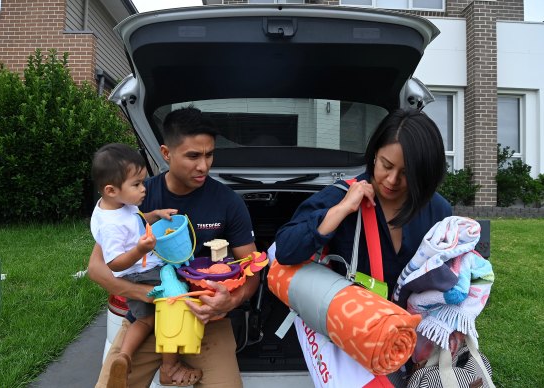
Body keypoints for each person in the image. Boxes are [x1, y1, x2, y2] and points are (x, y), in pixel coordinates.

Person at [88, 107, 258, 388]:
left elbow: (252, 268)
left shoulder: (228, 202)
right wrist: (152, 296)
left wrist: (232, 300)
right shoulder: (138, 194)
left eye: (209, 154)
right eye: (193, 156)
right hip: (148, 320)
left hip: (206, 321)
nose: (204, 166)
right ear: (166, 154)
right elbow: (97, 267)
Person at [274, 108, 453, 296]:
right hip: (351, 322)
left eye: (406, 173)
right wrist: (341, 209)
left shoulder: (438, 210)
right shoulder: (341, 195)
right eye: (387, 165)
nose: (392, 179)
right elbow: (286, 250)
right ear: (375, 154)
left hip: (417, 323)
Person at [90, 143, 200, 387]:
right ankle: (170, 366)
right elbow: (115, 264)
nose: (143, 189)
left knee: (145, 320)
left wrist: (156, 214)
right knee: (174, 303)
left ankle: (124, 357)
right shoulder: (111, 226)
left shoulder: (115, 207)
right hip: (143, 274)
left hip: (140, 272)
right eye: (137, 184)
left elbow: (136, 219)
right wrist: (140, 249)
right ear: (110, 189)